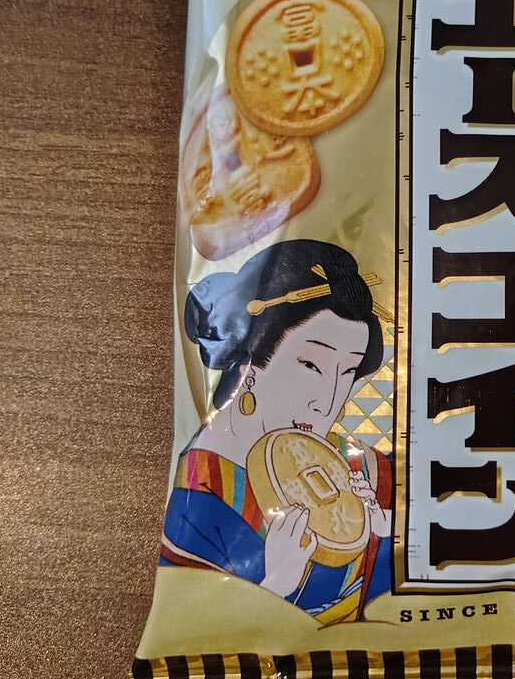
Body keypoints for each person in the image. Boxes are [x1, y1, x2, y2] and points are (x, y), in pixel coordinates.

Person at [158, 239, 392, 624]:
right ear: (250, 362)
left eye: (348, 371)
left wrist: (386, 529)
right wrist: (274, 585)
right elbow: (191, 631)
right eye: (311, 365)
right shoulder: (197, 496)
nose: (327, 403)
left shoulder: (360, 467)